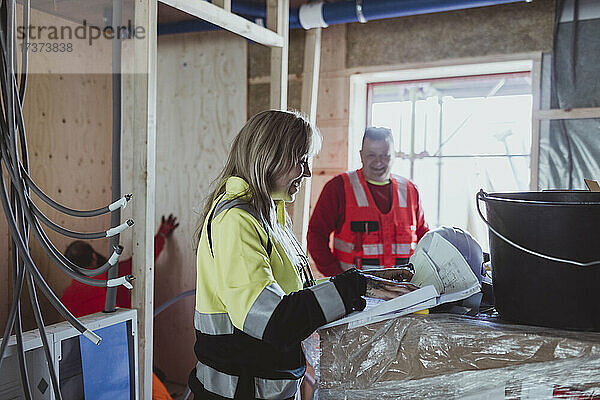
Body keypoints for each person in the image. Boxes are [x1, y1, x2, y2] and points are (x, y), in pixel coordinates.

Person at [189, 110, 418, 399]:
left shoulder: (270, 213)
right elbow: (273, 319)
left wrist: (366, 281)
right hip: (239, 390)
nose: (308, 172)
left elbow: (295, 294)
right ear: (270, 157)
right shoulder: (237, 219)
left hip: (268, 384)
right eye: (301, 161)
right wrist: (355, 287)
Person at [307, 126, 429, 276]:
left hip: (404, 290)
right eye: (371, 155)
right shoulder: (339, 187)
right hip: (356, 295)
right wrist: (339, 280)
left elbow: (425, 238)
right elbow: (316, 236)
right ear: (361, 155)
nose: (378, 162)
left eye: (385, 156)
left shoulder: (410, 190)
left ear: (394, 155)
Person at [60, 214, 179, 317]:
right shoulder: (112, 277)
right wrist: (162, 234)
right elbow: (142, 261)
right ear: (94, 256)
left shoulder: (66, 299)